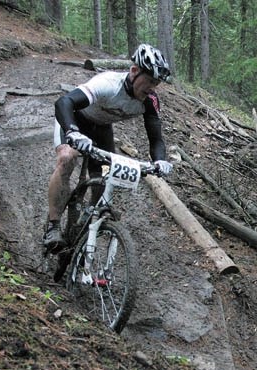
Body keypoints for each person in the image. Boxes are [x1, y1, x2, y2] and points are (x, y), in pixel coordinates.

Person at [43, 43, 174, 251]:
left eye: (156, 83)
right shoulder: (108, 84)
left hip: (101, 129)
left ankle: (88, 222)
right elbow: (63, 102)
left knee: (106, 176)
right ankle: (53, 226)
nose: (151, 88)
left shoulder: (149, 100)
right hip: (75, 120)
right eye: (149, 81)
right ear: (134, 71)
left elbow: (155, 137)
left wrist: (159, 160)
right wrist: (72, 132)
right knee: (67, 158)